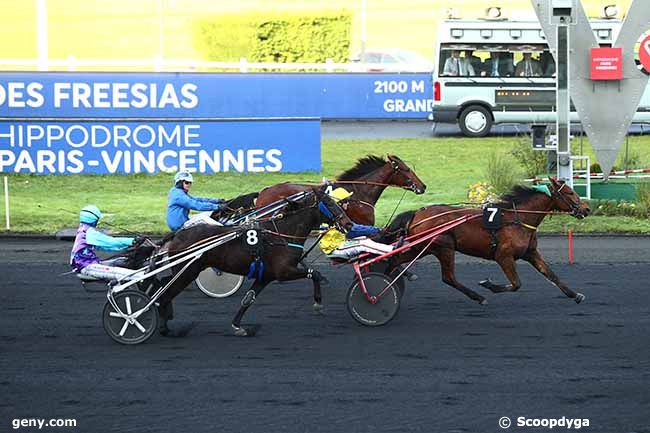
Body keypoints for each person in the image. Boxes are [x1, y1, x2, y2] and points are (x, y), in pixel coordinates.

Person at [70, 205, 145, 282]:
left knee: (122, 261)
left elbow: (105, 248)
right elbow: (110, 242)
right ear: (94, 220)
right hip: (87, 267)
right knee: (123, 273)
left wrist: (127, 245)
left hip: (89, 264)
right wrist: (132, 241)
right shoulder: (89, 233)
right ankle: (144, 277)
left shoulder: (83, 229)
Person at [318, 188, 394, 260]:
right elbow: (354, 229)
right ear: (339, 203)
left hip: (340, 243)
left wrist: (375, 231)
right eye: (346, 201)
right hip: (335, 249)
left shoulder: (334, 215)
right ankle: (393, 251)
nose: (348, 203)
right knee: (363, 243)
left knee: (364, 238)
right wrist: (377, 230)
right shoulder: (335, 217)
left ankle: (387, 250)